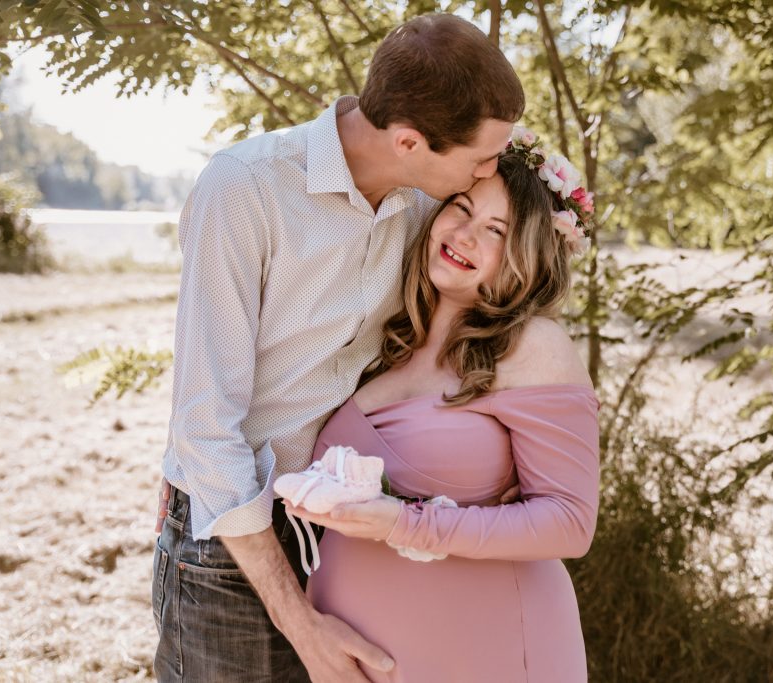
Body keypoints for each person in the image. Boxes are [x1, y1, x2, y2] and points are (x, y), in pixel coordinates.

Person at [152, 14, 525, 682]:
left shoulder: (427, 206)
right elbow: (206, 428)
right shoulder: (245, 189)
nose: (489, 170)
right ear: (408, 141)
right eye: (480, 158)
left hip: (349, 532)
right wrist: (302, 626)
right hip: (231, 544)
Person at [284, 136, 600, 682]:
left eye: (497, 231)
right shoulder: (383, 344)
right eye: (461, 208)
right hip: (358, 656)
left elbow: (570, 523)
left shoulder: (533, 347)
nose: (465, 234)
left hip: (486, 650)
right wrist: (193, 471)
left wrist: (405, 523)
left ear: (529, 255)